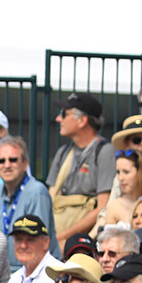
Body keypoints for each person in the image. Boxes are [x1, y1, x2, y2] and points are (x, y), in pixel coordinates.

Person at [46, 94, 114, 246]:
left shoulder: (104, 151)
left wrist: (62, 237)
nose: (58, 119)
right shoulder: (63, 152)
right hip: (57, 234)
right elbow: (50, 200)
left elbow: (104, 207)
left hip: (84, 240)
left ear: (82, 120)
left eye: (64, 114)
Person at [0, 135, 59, 271]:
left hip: (38, 271)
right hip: (3, 273)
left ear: (25, 164)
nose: (7, 165)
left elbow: (38, 244)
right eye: (1, 161)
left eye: (13, 160)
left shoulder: (37, 192)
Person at [100, 146, 142, 229]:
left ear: (140, 172)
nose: (120, 178)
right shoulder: (115, 206)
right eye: (118, 172)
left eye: (126, 172)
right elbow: (108, 241)